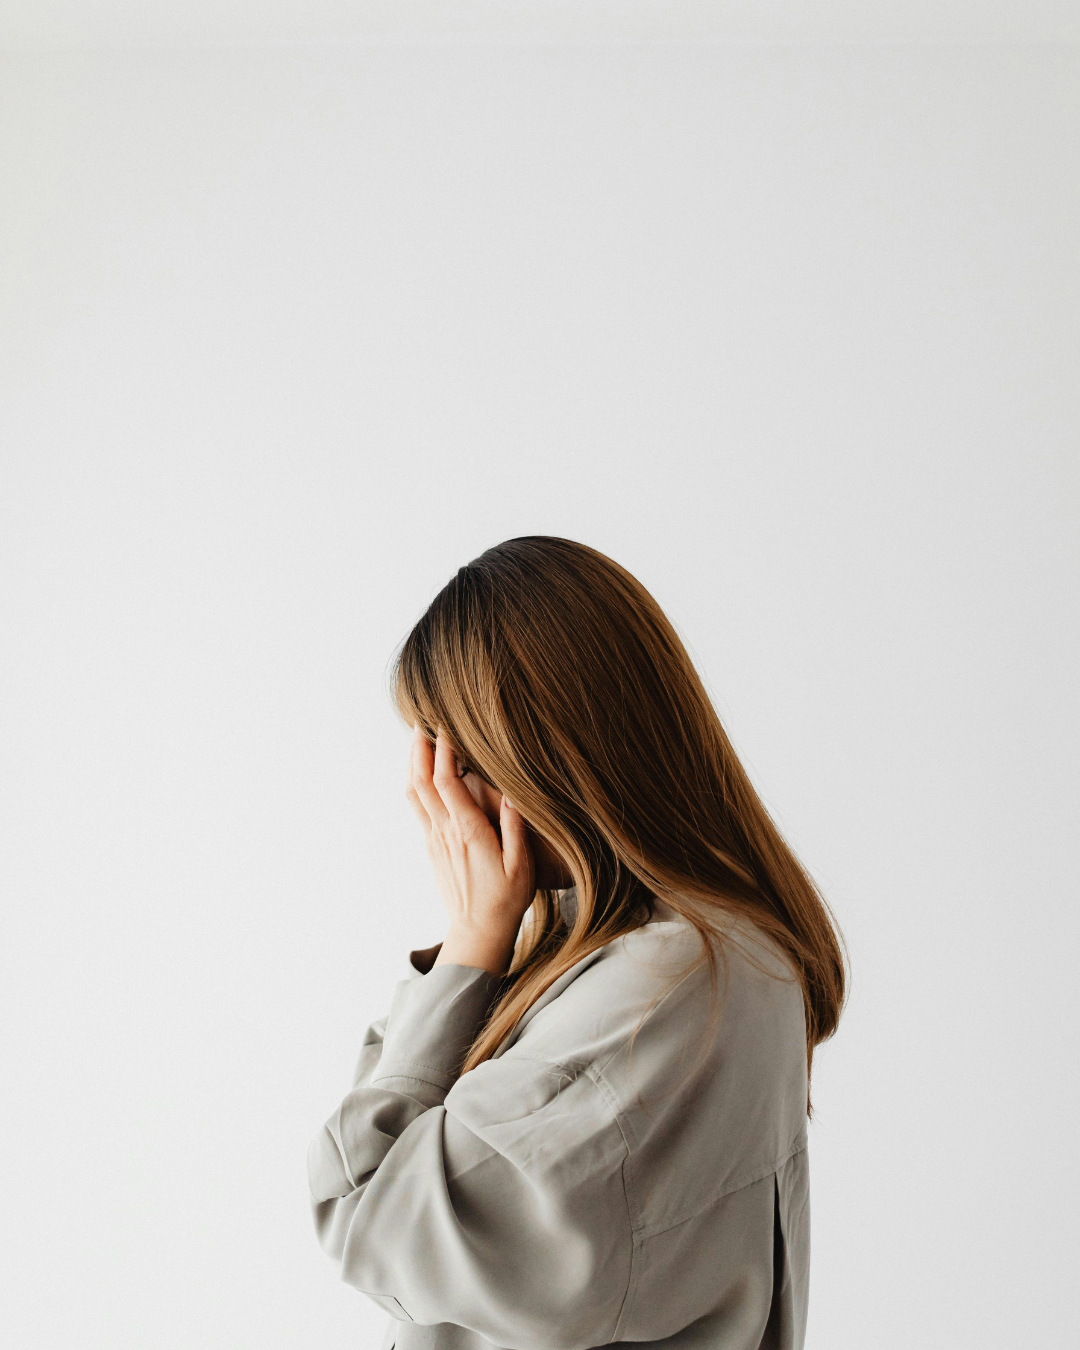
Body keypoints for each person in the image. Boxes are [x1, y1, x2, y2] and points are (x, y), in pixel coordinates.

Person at [307, 536, 846, 1350]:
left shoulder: (669, 983)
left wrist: (471, 942)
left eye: (456, 760)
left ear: (544, 755)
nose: (445, 801)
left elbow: (366, 1213)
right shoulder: (660, 954)